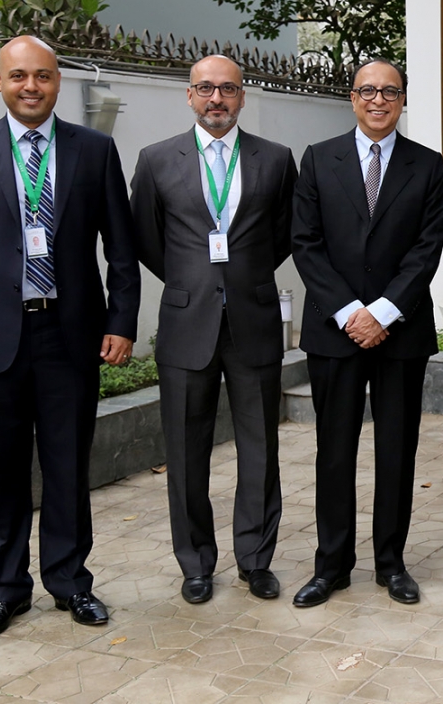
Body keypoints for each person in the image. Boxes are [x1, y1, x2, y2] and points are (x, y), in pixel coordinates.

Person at [0, 36, 141, 639]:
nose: (30, 87)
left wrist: (121, 321)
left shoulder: (94, 151)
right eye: (18, 76)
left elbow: (120, 250)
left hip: (71, 336)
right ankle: (7, 590)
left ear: (58, 81)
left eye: (42, 76)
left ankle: (71, 582)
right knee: (3, 470)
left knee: (68, 467)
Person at [130, 55, 298, 605]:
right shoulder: (156, 161)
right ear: (189, 96)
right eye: (205, 89)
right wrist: (192, 282)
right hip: (186, 322)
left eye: (227, 88)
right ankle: (196, 563)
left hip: (252, 319)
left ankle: (256, 560)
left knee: (260, 449)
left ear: (243, 96)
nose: (216, 99)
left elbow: (283, 236)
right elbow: (147, 241)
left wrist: (239, 278)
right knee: (185, 451)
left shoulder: (275, 160)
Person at [291, 58, 443, 607]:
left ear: (403, 99)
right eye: (367, 91)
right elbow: (305, 243)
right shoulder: (317, 159)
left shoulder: (426, 166)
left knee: (396, 451)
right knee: (334, 450)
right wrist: (349, 311)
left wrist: (382, 312)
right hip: (335, 332)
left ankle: (391, 564)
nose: (378, 100)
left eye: (389, 91)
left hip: (400, 332)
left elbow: (426, 249)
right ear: (351, 98)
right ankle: (330, 566)